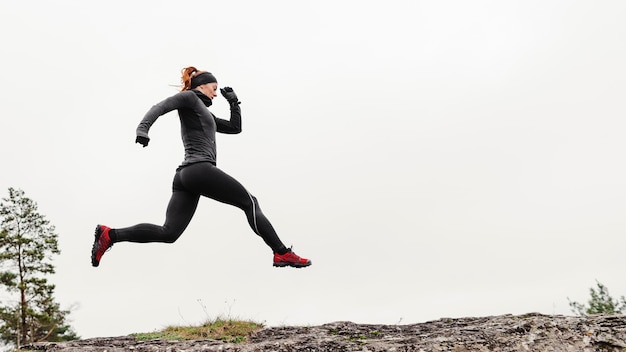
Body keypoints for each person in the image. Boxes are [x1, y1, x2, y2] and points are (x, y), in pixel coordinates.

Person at [91, 66, 311, 269]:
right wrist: (143, 129)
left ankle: (110, 235)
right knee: (250, 202)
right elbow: (159, 107)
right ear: (202, 85)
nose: (216, 94)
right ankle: (281, 252)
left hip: (185, 177)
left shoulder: (206, 114)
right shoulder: (189, 98)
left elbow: (235, 128)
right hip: (199, 169)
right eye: (214, 89)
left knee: (169, 233)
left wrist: (234, 103)